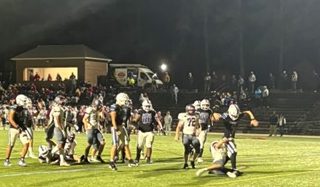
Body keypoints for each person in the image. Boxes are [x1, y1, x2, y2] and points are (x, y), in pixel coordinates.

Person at [109, 93, 137, 170]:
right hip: (116, 127)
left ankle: (130, 159)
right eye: (125, 100)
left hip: (121, 126)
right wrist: (116, 129)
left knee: (126, 143)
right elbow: (113, 119)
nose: (126, 102)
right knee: (115, 144)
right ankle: (111, 161)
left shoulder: (122, 107)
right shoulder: (114, 107)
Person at [4, 94, 30, 167]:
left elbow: (24, 119)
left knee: (26, 143)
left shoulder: (24, 109)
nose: (25, 102)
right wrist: (17, 126)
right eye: (24, 101)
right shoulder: (13, 108)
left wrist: (25, 126)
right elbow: (10, 119)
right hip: (13, 128)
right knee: (11, 144)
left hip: (21, 128)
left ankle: (21, 160)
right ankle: (7, 160)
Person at [134, 99, 162, 164]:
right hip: (141, 131)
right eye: (146, 106)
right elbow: (135, 120)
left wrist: (159, 127)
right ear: (143, 106)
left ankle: (148, 158)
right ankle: (137, 158)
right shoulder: (140, 112)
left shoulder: (152, 112)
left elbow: (156, 121)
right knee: (139, 145)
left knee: (149, 145)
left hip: (150, 131)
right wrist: (135, 126)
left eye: (148, 106)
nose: (147, 108)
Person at [175, 104, 200, 169]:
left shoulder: (196, 116)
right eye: (190, 110)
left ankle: (192, 160)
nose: (191, 111)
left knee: (197, 148)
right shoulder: (184, 117)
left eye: (192, 110)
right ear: (187, 110)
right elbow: (179, 126)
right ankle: (186, 163)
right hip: (186, 135)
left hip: (193, 135)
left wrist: (198, 131)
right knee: (187, 149)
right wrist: (177, 135)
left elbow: (198, 126)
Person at [80, 99, 105, 164]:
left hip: (96, 128)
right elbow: (84, 119)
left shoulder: (97, 111)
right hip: (91, 129)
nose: (100, 107)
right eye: (99, 105)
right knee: (89, 144)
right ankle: (85, 157)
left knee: (102, 142)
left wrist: (101, 115)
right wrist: (87, 128)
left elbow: (101, 120)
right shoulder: (90, 109)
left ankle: (98, 156)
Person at [50, 95, 70, 166]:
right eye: (62, 100)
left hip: (62, 127)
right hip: (58, 128)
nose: (63, 101)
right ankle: (48, 154)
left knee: (63, 144)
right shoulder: (57, 108)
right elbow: (57, 121)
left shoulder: (61, 108)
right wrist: (62, 130)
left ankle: (61, 160)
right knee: (60, 145)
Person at [196, 99, 213, 163]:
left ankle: (199, 157)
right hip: (197, 128)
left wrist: (210, 125)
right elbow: (196, 119)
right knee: (194, 143)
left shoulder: (210, 111)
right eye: (204, 105)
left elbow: (210, 119)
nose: (205, 106)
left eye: (207, 105)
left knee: (201, 143)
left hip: (204, 128)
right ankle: (193, 154)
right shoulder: (198, 110)